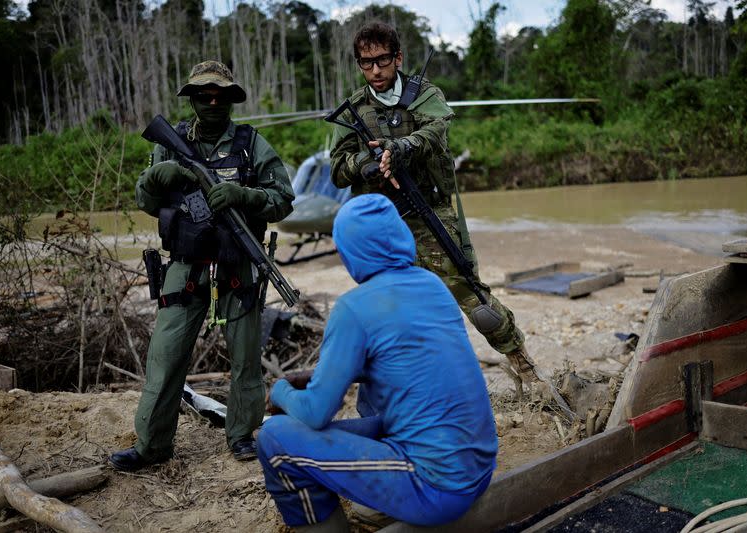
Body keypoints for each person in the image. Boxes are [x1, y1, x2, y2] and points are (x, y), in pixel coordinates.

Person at [257, 193, 497, 532]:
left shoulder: (353, 308)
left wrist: (280, 391)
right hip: (479, 471)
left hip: (438, 488)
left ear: (349, 251)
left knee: (275, 438)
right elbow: (402, 363)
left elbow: (314, 412)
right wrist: (316, 376)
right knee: (373, 415)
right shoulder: (433, 285)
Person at [329, 21, 543, 397]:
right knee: (391, 311)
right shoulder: (354, 110)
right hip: (381, 224)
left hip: (429, 212)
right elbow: (337, 169)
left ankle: (526, 370)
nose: (375, 71)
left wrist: (401, 148)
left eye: (382, 61)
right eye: (366, 63)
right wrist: (366, 163)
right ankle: (407, 390)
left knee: (474, 298)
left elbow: (435, 132)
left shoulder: (424, 95)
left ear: (398, 57)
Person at [109, 60, 294, 471]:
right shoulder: (169, 141)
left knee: (246, 355)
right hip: (186, 265)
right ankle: (152, 446)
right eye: (203, 95)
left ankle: (242, 435)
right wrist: (160, 175)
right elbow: (146, 200)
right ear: (191, 99)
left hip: (237, 262)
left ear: (230, 98)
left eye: (220, 95)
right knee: (166, 354)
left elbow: (283, 198)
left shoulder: (250, 144)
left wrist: (243, 195)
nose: (212, 102)